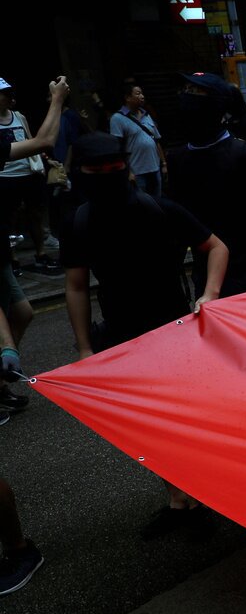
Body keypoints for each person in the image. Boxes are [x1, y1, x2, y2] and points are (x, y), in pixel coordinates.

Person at [62, 132, 232, 535]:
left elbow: (216, 247)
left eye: (114, 168)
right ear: (80, 174)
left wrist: (209, 295)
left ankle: (202, 497)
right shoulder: (79, 222)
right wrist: (84, 347)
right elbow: (76, 286)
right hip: (121, 337)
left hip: (173, 332)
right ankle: (179, 501)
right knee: (145, 425)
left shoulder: (159, 209)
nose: (107, 176)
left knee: (183, 422)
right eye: (96, 171)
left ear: (127, 169)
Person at [164, 72, 246, 296]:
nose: (187, 97)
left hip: (242, 268)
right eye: (186, 91)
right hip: (203, 270)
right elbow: (177, 220)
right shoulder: (177, 159)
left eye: (196, 92)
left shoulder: (242, 155)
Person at [0, 78, 58, 271]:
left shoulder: (19, 117)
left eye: (8, 94)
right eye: (3, 94)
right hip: (6, 176)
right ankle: (12, 257)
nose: (7, 97)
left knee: (36, 213)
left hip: (28, 173)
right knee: (10, 217)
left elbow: (32, 140)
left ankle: (41, 253)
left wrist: (43, 158)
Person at [109, 81, 167, 198]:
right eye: (138, 93)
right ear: (127, 98)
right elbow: (117, 148)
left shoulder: (147, 115)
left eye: (142, 93)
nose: (142, 96)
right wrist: (128, 172)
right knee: (141, 203)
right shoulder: (117, 118)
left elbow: (156, 141)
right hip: (137, 173)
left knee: (158, 202)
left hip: (155, 170)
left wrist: (164, 164)